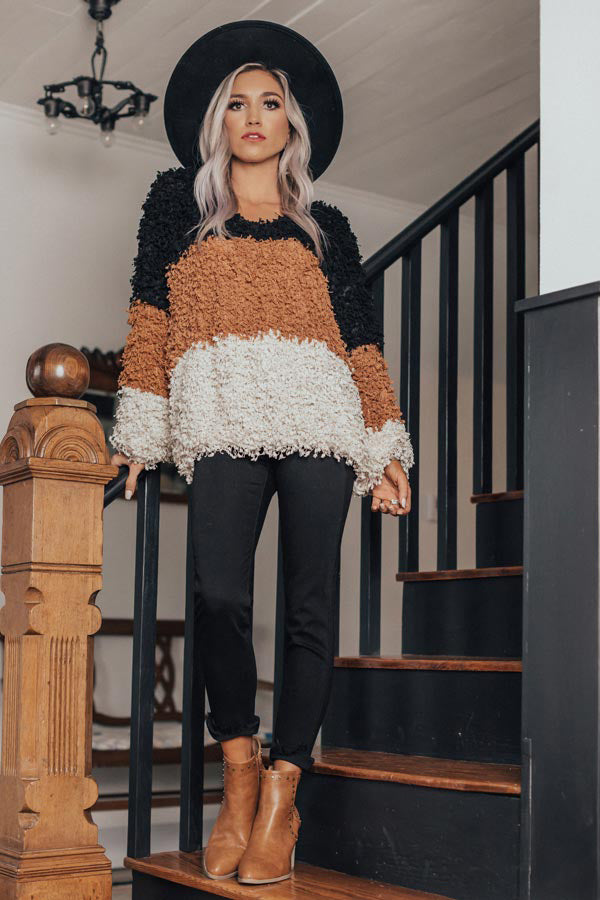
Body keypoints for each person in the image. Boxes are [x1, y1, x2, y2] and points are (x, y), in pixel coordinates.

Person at [109, 19, 414, 887]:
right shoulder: (177, 207)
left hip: (321, 417)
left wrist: (384, 444)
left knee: (311, 608)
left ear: (291, 124)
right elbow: (150, 320)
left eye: (269, 103)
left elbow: (362, 346)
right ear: (218, 122)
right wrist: (139, 430)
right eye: (237, 104)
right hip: (222, 415)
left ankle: (283, 794)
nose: (252, 116)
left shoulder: (329, 227)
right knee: (218, 596)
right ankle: (239, 770)